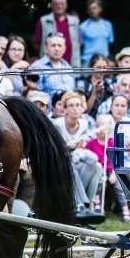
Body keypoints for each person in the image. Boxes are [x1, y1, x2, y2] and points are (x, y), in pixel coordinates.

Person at [52, 91, 102, 220]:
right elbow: (58, 150)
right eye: (71, 105)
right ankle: (81, 206)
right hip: (60, 163)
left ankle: (85, 206)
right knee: (72, 171)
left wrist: (73, 149)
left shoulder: (84, 124)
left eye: (78, 105)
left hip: (75, 158)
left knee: (97, 166)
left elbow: (79, 148)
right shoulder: (58, 124)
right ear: (65, 109)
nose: (75, 108)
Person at [86, 115, 130, 221]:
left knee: (119, 187)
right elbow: (87, 155)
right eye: (99, 128)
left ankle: (125, 210)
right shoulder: (92, 143)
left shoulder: (112, 143)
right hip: (98, 171)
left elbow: (117, 161)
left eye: (104, 128)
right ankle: (97, 203)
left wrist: (113, 174)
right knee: (99, 181)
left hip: (111, 172)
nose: (101, 131)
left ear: (110, 129)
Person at [34, 0, 81, 67]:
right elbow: (37, 44)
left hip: (72, 64)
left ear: (66, 5)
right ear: (52, 5)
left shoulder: (75, 22)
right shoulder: (43, 21)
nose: (59, 6)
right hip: (48, 66)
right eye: (56, 4)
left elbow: (78, 44)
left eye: (61, 4)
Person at [29, 32, 75, 105]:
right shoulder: (37, 67)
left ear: (64, 49)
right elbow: (35, 95)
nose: (57, 49)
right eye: (53, 45)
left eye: (59, 46)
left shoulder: (68, 67)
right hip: (48, 113)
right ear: (46, 48)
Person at [79, 0, 114, 64]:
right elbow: (80, 46)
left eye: (94, 8)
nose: (92, 11)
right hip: (88, 62)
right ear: (87, 11)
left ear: (100, 9)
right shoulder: (82, 26)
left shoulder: (108, 25)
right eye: (90, 9)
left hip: (104, 62)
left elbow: (111, 44)